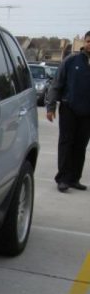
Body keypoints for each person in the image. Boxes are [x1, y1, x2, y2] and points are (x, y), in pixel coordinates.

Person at [45, 31, 90, 193]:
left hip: (87, 113)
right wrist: (50, 107)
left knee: (80, 146)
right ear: (84, 42)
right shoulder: (71, 61)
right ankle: (63, 179)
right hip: (69, 108)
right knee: (66, 143)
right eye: (88, 41)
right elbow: (57, 84)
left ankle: (74, 179)